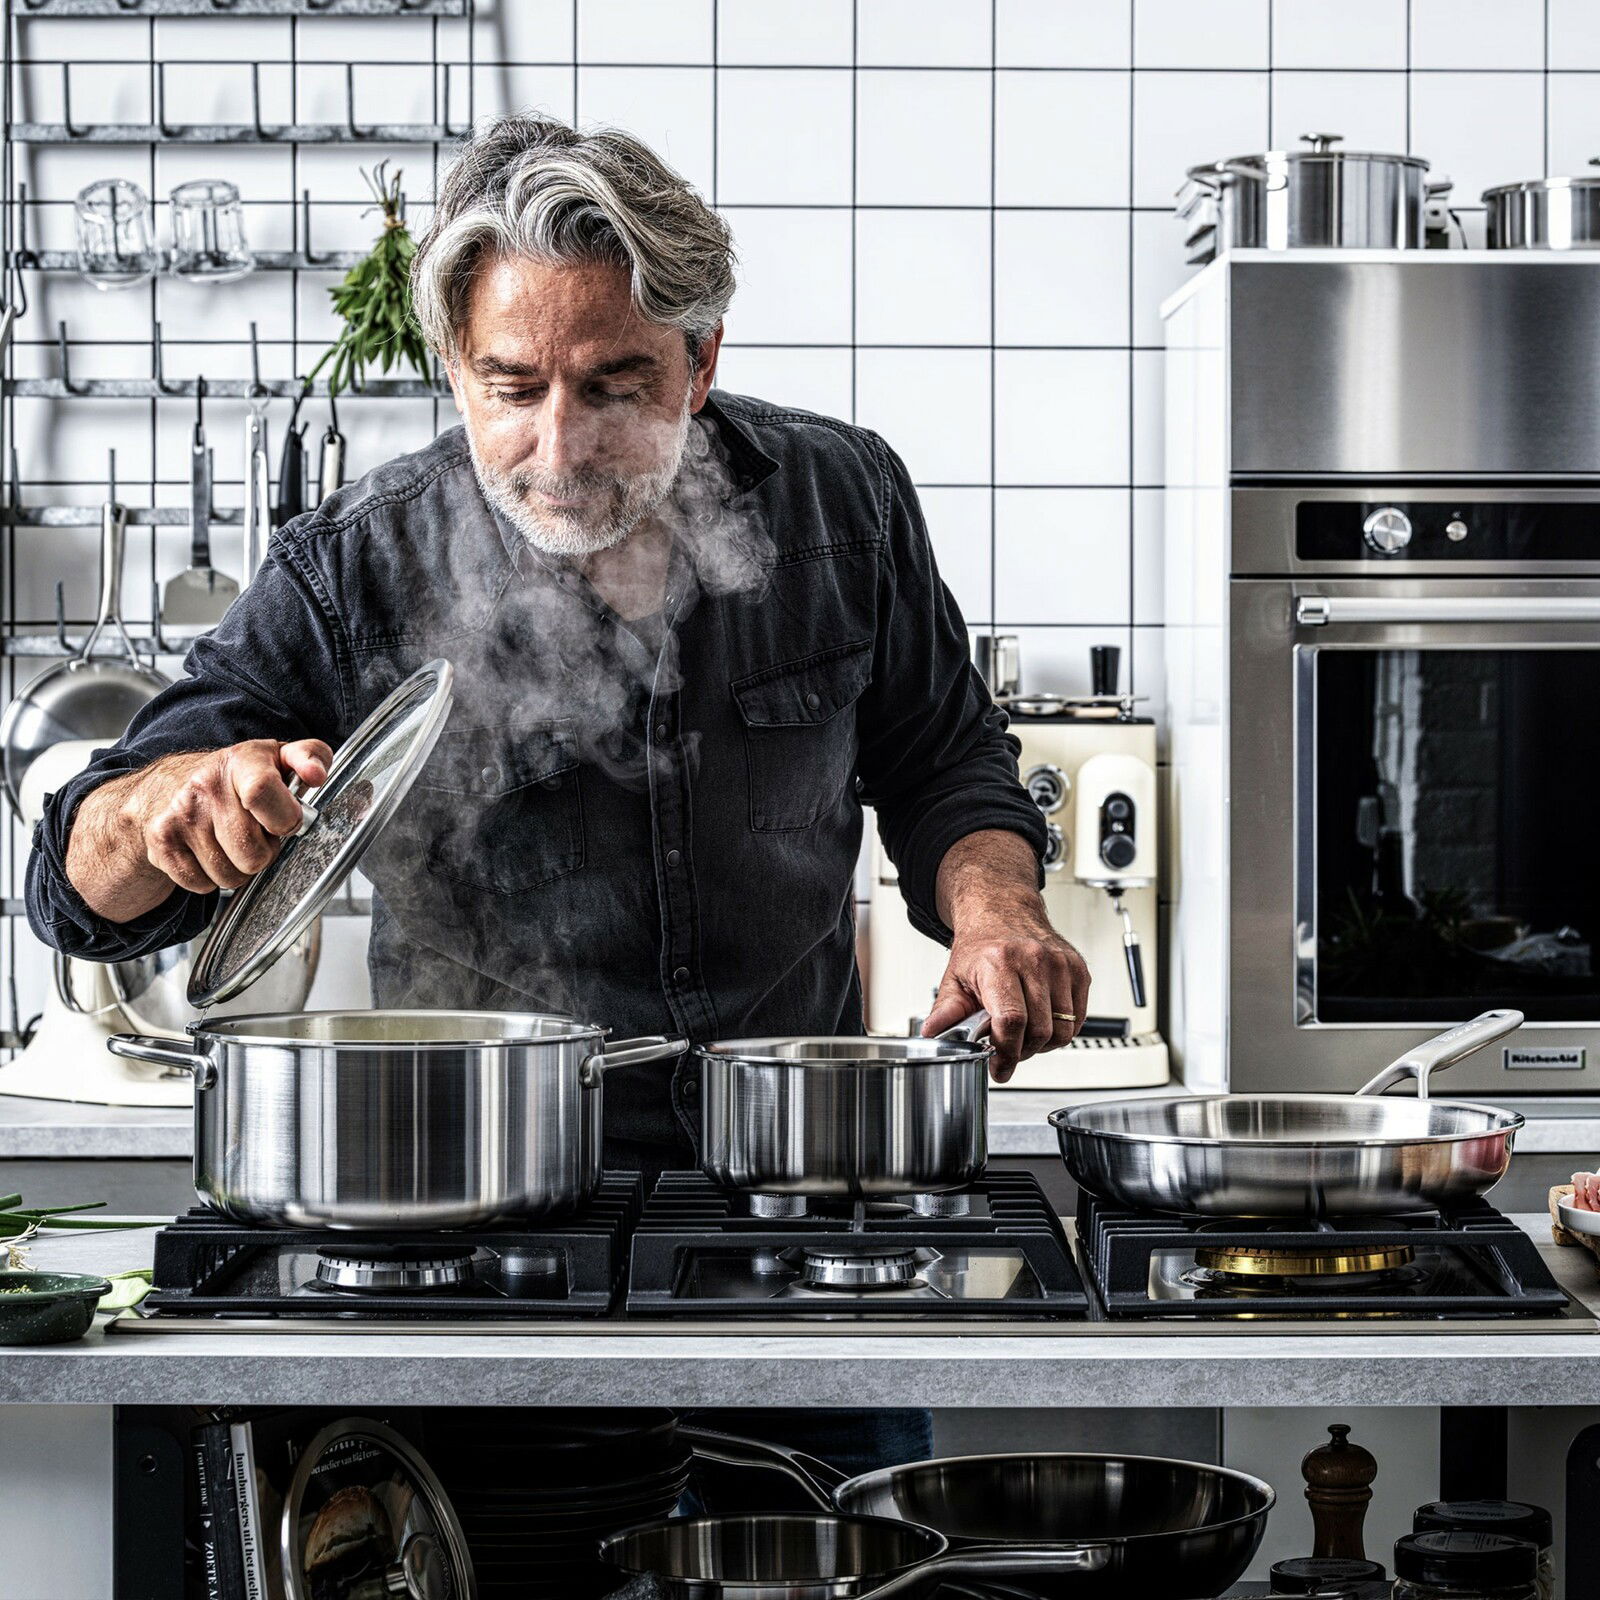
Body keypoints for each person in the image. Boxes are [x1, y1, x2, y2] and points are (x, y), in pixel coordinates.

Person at [26, 115, 1089, 1473]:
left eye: (616, 384)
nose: (559, 445)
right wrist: (169, 808)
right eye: (511, 385)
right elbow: (76, 889)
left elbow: (945, 761)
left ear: (702, 361)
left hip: (802, 1227)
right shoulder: (355, 567)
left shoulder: (841, 501)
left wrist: (996, 907)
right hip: (463, 1239)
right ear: (454, 370)